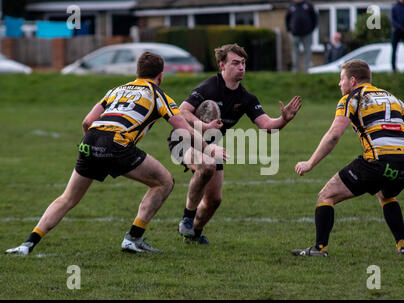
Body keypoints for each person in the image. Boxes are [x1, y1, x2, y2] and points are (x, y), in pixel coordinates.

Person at [5, 51, 223, 256]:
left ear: (137, 72)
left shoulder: (116, 90)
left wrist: (96, 149)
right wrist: (209, 148)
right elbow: (183, 131)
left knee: (67, 198)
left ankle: (28, 244)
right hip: (117, 143)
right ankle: (133, 238)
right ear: (161, 76)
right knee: (164, 182)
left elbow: (87, 122)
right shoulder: (159, 95)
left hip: (90, 140)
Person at [292, 59, 404, 257]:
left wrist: (310, 163)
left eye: (342, 79)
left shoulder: (351, 98)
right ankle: (402, 246)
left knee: (326, 195)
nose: (340, 84)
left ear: (353, 81)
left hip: (378, 163)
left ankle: (319, 249)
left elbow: (333, 135)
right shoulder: (394, 99)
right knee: (385, 194)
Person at [168, 43, 302, 245]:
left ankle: (193, 233)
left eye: (243, 63)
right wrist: (203, 126)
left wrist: (284, 119)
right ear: (222, 65)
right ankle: (187, 217)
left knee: (214, 200)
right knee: (207, 167)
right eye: (235, 63)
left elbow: (267, 125)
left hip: (212, 145)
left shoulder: (246, 98)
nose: (241, 67)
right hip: (184, 139)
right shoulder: (209, 87)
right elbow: (183, 112)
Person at [285, 0, 317, 72]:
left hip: (307, 33)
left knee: (307, 51)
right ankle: (295, 70)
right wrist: (289, 30)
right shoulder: (291, 5)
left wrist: (312, 29)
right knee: (295, 52)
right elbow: (287, 19)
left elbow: (314, 17)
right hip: (294, 34)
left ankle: (307, 70)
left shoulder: (308, 5)